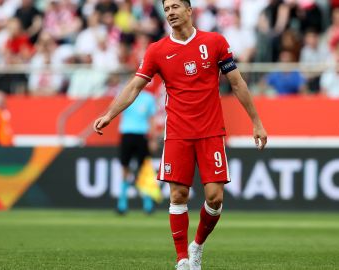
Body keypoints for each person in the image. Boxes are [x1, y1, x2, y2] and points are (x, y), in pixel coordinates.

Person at [92, 1, 268, 269]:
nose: (171, 12)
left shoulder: (215, 42)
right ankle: (182, 259)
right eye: (166, 9)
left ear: (189, 10)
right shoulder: (157, 50)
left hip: (210, 132)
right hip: (177, 133)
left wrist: (256, 122)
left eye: (175, 6)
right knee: (178, 196)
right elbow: (134, 87)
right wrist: (109, 114)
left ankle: (196, 245)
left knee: (215, 198)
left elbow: (237, 83)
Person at [116, 89, 157, 215]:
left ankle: (147, 203)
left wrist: (153, 139)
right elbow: (114, 108)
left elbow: (152, 119)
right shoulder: (124, 94)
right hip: (127, 133)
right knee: (125, 168)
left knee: (144, 169)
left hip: (142, 135)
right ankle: (122, 203)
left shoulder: (148, 98)